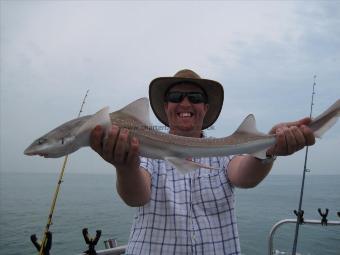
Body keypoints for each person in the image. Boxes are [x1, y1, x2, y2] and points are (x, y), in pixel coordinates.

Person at [90, 69, 315, 255]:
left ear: (205, 108)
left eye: (195, 98)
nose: (185, 103)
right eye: (176, 97)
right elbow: (136, 196)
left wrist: (269, 148)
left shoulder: (223, 150)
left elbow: (244, 176)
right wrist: (125, 165)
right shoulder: (146, 153)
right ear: (166, 107)